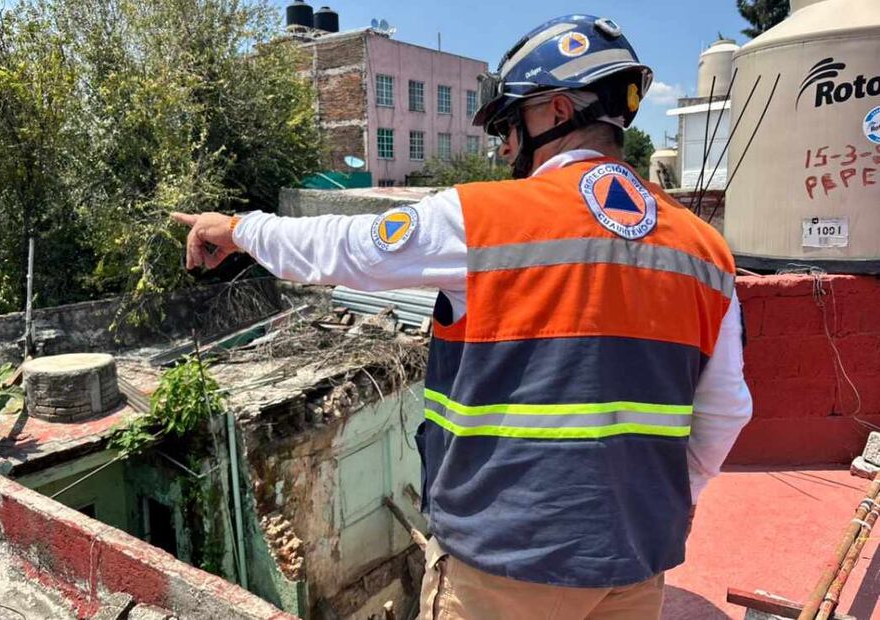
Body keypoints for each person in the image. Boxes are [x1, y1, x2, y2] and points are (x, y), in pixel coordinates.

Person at [171, 15, 752, 620]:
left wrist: (241, 229)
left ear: (556, 112)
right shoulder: (706, 250)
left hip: (505, 565)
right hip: (634, 566)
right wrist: (656, 506)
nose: (503, 146)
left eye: (509, 123)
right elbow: (727, 411)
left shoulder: (484, 218)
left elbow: (348, 247)